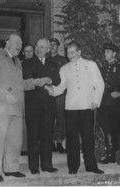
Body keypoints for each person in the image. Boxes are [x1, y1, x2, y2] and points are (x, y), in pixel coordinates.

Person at [0, 33, 50, 182]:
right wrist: (5, 95)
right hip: (0, 106)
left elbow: (20, 85)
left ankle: (11, 168)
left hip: (16, 107)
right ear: (7, 43)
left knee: (15, 141)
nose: (20, 45)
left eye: (21, 43)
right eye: (16, 42)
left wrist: (36, 82)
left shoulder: (17, 61)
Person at [45, 41, 105, 174]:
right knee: (71, 139)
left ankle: (91, 166)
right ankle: (73, 167)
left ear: (79, 52)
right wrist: (51, 90)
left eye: (72, 52)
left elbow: (100, 84)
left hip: (86, 106)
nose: (69, 55)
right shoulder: (64, 69)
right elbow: (60, 88)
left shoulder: (91, 65)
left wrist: (95, 101)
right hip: (71, 107)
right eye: (68, 52)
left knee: (88, 137)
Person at [23, 38, 60, 175]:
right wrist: (45, 81)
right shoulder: (27, 63)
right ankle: (33, 166)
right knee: (33, 135)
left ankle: (47, 165)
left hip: (48, 105)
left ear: (48, 50)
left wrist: (48, 79)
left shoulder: (53, 64)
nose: (39, 49)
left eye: (42, 47)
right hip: (32, 104)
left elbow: (57, 80)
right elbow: (29, 77)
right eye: (37, 46)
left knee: (47, 135)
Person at [97, 42, 120, 164]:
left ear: (114, 54)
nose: (105, 54)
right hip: (103, 104)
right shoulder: (102, 69)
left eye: (108, 52)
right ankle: (110, 154)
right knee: (106, 129)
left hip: (115, 105)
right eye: (105, 52)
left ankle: (114, 155)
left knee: (115, 129)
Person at [48, 38, 67, 153]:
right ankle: (50, 143)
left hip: (60, 93)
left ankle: (59, 142)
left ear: (58, 46)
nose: (53, 47)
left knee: (60, 117)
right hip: (48, 92)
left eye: (55, 45)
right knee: (49, 117)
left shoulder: (63, 60)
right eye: (50, 45)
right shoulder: (45, 59)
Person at [21, 44, 34, 156]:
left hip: (36, 96)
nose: (29, 53)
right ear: (23, 53)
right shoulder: (20, 65)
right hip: (24, 95)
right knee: (24, 122)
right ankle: (24, 147)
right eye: (26, 51)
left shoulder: (38, 64)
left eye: (31, 51)